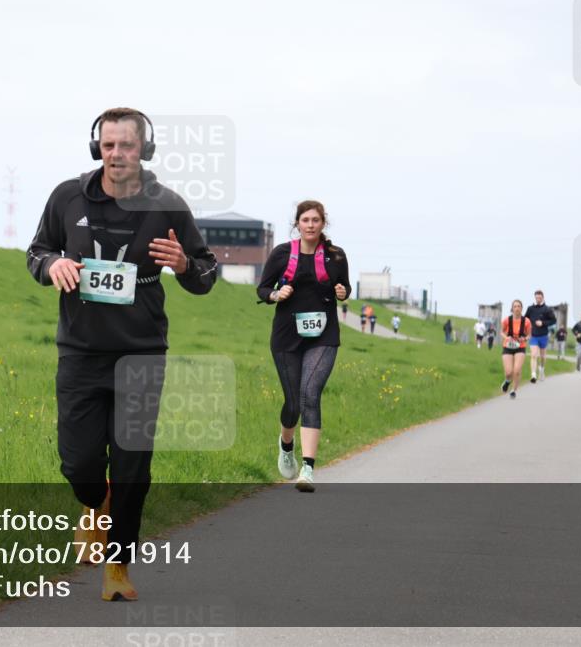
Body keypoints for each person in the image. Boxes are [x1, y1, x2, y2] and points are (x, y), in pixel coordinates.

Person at [26, 107, 217, 601]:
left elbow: (207, 274)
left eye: (126, 146)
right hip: (81, 355)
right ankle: (94, 503)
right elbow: (36, 250)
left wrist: (183, 265)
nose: (116, 155)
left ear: (143, 150)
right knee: (79, 464)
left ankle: (117, 567)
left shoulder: (168, 205)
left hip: (141, 356)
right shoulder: (67, 197)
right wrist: (53, 266)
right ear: (98, 149)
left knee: (133, 466)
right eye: (108, 145)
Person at [257, 200, 351, 493]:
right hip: (287, 335)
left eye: (316, 220)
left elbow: (346, 287)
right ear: (297, 224)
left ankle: (308, 468)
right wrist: (275, 294)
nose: (310, 224)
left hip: (323, 335)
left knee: (311, 394)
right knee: (293, 403)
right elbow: (262, 288)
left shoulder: (335, 256)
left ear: (324, 224)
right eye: (305, 220)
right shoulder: (282, 253)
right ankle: (286, 445)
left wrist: (342, 291)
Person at [500, 300, 531, 399]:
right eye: (515, 306)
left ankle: (513, 390)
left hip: (520, 347)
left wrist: (525, 338)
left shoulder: (526, 321)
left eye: (519, 306)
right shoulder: (506, 320)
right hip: (508, 346)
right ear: (512, 308)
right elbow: (501, 332)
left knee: (516, 371)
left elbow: (529, 334)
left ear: (521, 308)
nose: (517, 308)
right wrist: (506, 337)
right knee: (509, 372)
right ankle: (507, 381)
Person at [524, 290, 557, 383]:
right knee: (534, 355)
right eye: (536, 297)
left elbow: (554, 320)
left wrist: (543, 323)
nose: (538, 299)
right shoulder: (530, 308)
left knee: (542, 356)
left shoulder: (547, 309)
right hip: (533, 335)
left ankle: (541, 370)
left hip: (543, 335)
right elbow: (526, 320)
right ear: (535, 297)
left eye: (540, 297)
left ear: (543, 297)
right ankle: (533, 374)